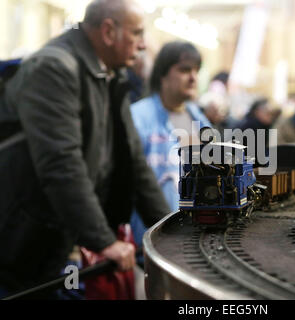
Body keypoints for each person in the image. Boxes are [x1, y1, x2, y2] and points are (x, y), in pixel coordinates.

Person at [0, 0, 170, 297]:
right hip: (21, 241)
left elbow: (135, 164)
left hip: (54, 235)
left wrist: (171, 231)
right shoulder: (54, 68)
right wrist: (103, 241)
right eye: (136, 33)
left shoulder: (108, 75)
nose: (143, 44)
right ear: (108, 32)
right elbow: (61, 163)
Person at [129, 41, 211, 251]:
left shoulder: (199, 121)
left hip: (192, 239)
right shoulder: (138, 117)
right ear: (162, 75)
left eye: (196, 70)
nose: (193, 77)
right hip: (148, 241)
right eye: (184, 70)